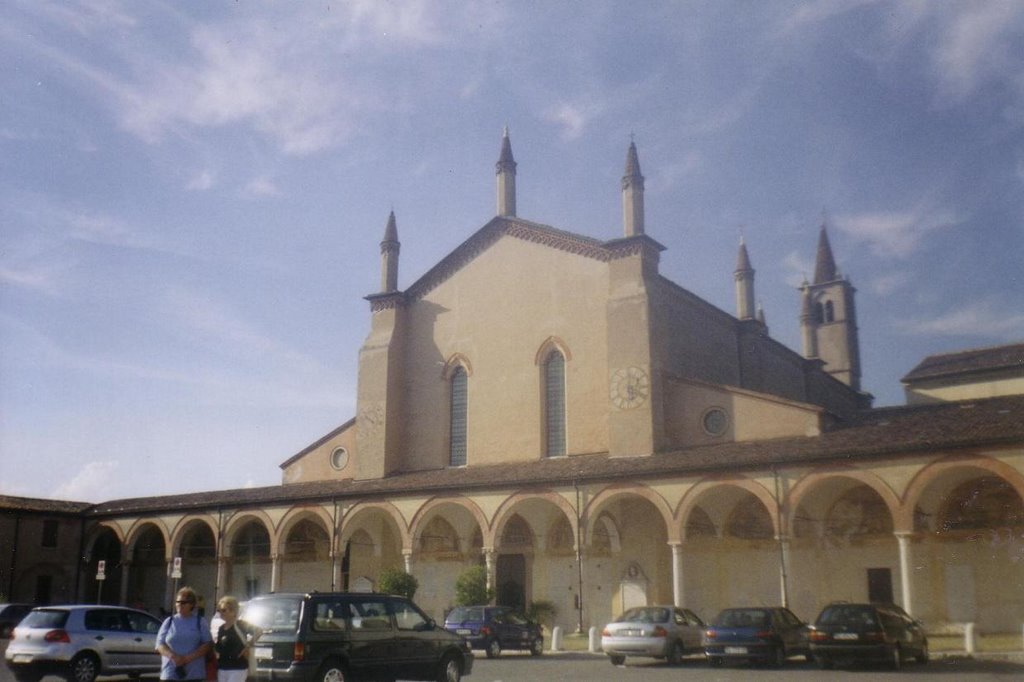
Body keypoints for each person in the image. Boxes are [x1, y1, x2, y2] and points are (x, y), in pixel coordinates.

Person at [157, 587, 213, 682]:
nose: (179, 605)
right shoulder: (169, 621)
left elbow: (207, 644)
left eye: (183, 602)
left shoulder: (200, 622)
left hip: (193, 674)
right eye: (177, 602)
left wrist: (186, 659)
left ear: (191, 604)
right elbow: (160, 645)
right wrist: (174, 657)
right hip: (170, 673)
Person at [213, 596, 260, 682]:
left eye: (224, 610)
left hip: (238, 667)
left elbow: (258, 631)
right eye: (219, 611)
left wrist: (248, 646)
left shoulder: (241, 625)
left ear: (233, 611)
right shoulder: (221, 628)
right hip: (223, 667)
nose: (221, 613)